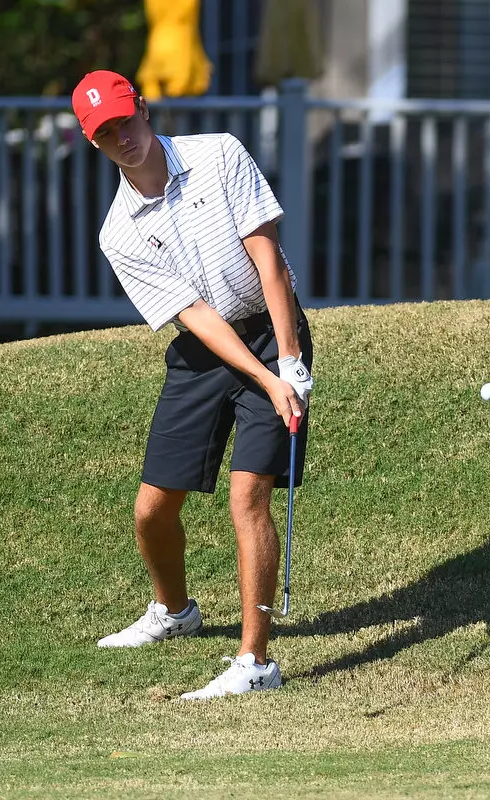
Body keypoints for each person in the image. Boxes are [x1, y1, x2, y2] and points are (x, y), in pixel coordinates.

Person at [71, 70, 314, 700]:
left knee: (248, 496)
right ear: (92, 143)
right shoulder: (118, 232)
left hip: (271, 330)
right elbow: (197, 317)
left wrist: (286, 364)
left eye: (125, 120)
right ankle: (175, 612)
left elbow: (269, 261)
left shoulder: (219, 154)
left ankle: (255, 663)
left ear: (144, 110)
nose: (122, 137)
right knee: (152, 509)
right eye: (106, 132)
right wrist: (260, 378)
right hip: (206, 353)